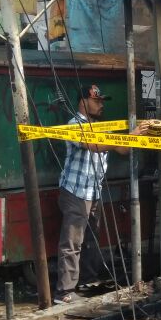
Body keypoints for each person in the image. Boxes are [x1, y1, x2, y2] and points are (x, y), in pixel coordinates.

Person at [54, 85, 148, 304]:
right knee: (72, 242)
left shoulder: (102, 126)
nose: (101, 105)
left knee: (91, 240)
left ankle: (87, 280)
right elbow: (93, 145)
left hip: (94, 191)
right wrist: (128, 136)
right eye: (97, 101)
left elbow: (121, 149)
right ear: (83, 102)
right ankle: (64, 292)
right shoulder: (73, 125)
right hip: (75, 192)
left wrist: (139, 136)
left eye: (102, 101)